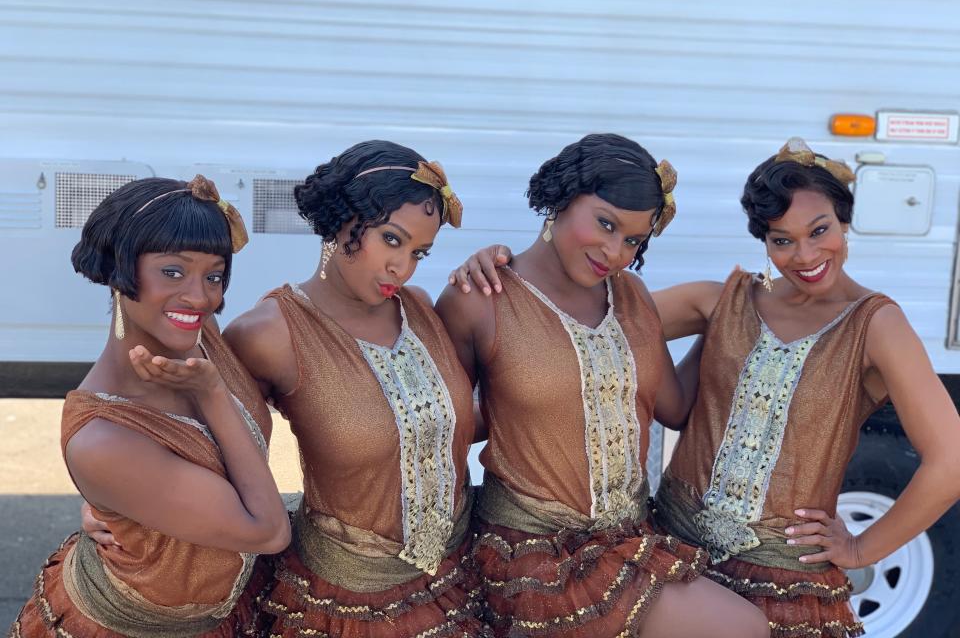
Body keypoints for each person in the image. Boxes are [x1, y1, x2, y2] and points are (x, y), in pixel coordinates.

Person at [451, 138, 960, 638]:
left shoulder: (876, 325)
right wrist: (502, 267)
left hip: (780, 577)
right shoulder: (722, 302)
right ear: (764, 240)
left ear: (845, 222)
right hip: (669, 553)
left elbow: (951, 460)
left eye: (820, 230)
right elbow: (558, 328)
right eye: (782, 240)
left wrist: (860, 550)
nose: (805, 255)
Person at [436, 134, 770, 638]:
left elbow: (673, 408)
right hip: (531, 549)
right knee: (741, 628)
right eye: (606, 224)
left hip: (629, 539)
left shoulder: (631, 295)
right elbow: (450, 430)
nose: (615, 252)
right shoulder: (480, 297)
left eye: (634, 240)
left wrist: (721, 325)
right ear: (561, 200)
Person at [222, 141, 490, 638]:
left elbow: (444, 425)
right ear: (341, 219)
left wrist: (504, 267)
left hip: (456, 582)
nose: (403, 268)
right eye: (392, 240)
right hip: (343, 602)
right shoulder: (270, 333)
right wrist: (121, 500)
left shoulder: (421, 309)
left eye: (419, 252)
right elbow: (205, 441)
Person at [10, 176, 290, 638]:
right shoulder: (102, 439)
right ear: (120, 268)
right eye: (173, 272)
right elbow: (267, 532)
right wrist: (212, 396)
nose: (201, 297)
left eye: (214, 275)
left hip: (230, 603)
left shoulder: (203, 336)